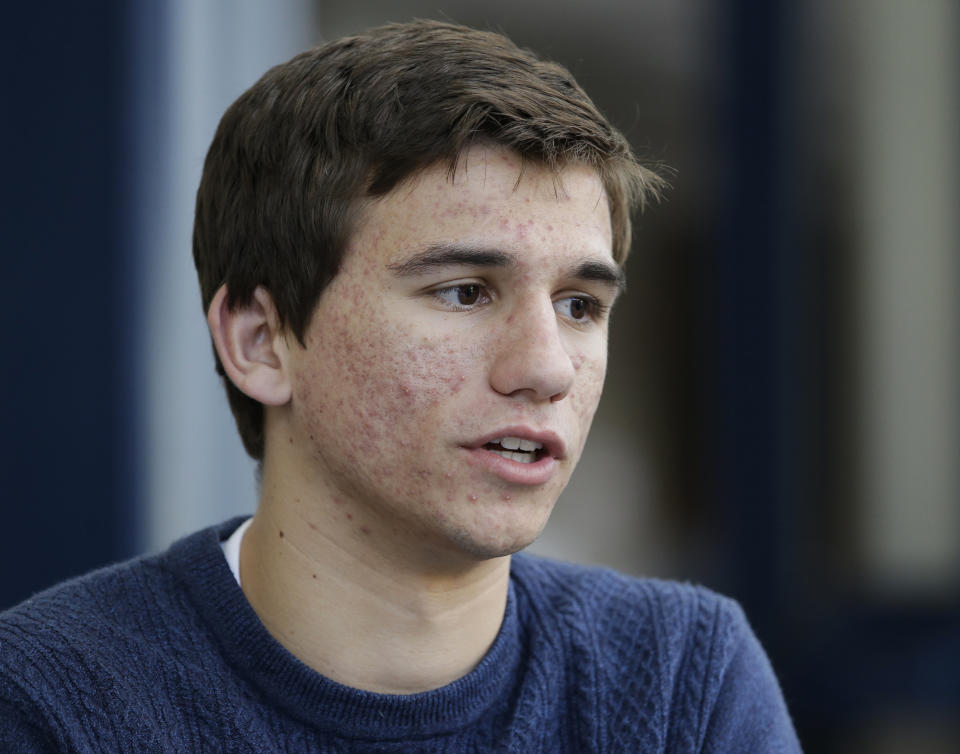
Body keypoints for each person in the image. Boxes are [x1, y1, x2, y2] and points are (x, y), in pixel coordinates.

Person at [0, 20, 801, 752]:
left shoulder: (679, 685)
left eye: (579, 305)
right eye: (464, 292)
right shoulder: (54, 702)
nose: (547, 367)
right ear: (259, 342)